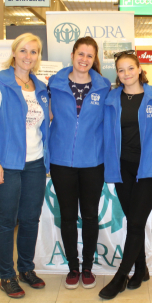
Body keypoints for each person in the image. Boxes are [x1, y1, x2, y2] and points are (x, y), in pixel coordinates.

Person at [0, 33, 50, 298]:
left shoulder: (40, 87)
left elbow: (42, 123)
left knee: (30, 219)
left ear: (38, 56)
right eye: (23, 50)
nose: (28, 56)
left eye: (33, 52)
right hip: (5, 163)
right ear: (14, 53)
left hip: (35, 163)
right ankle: (6, 275)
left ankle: (26, 269)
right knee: (6, 220)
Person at [98, 50, 152, 300]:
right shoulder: (111, 99)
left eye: (130, 68)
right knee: (133, 220)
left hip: (151, 168)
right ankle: (140, 269)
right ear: (116, 74)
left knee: (137, 222)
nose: (126, 73)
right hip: (122, 168)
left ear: (139, 69)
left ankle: (120, 277)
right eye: (121, 70)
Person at [47, 36, 111, 289]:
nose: (84, 59)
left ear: (95, 59)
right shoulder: (54, 83)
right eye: (80, 54)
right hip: (61, 161)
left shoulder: (104, 87)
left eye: (89, 55)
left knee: (90, 216)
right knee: (67, 216)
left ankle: (87, 268)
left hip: (93, 162)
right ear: (72, 55)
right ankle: (73, 266)